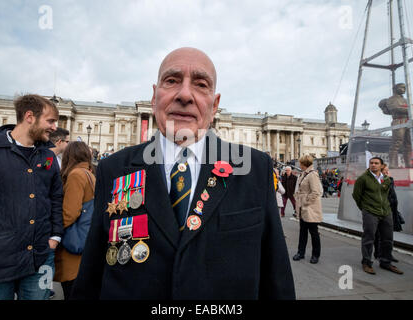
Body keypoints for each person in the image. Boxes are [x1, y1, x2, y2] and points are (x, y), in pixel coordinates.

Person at [70, 47, 295, 300]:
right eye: (172, 80)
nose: (185, 94)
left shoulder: (254, 169)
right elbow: (91, 274)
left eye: (200, 84)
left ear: (215, 104)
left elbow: (276, 279)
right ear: (155, 96)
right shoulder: (113, 169)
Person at [0, 94, 63, 300]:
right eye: (50, 121)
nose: (54, 127)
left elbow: (56, 197)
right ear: (29, 116)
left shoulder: (48, 156)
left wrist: (55, 237)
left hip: (40, 257)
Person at [54, 141, 96, 300]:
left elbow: (69, 213)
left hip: (73, 244)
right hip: (84, 240)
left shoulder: (76, 175)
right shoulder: (89, 174)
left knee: (71, 291)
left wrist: (54, 232)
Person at [352, 157, 403, 275]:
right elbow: (356, 195)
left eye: (376, 163)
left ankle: (386, 262)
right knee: (369, 238)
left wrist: (387, 209)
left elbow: (387, 196)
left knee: (388, 239)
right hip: (370, 212)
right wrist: (365, 208)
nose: (373, 165)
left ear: (381, 166)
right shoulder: (363, 179)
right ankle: (366, 262)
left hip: (386, 212)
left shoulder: (386, 179)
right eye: (371, 163)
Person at [379, 83, 413, 168]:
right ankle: (393, 163)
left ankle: (408, 163)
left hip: (408, 122)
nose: (404, 89)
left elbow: (412, 107)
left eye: (405, 87)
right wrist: (411, 110)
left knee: (409, 143)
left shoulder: (405, 100)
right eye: (402, 87)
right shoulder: (391, 99)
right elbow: (395, 108)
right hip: (399, 121)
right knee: (397, 142)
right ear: (395, 89)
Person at [292, 155, 322, 264]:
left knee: (314, 232)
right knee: (302, 231)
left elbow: (316, 192)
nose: (299, 165)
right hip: (302, 207)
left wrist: (305, 201)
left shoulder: (313, 175)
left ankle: (315, 255)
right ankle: (301, 252)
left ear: (304, 164)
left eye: (300, 163)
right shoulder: (303, 174)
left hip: (310, 208)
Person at [374, 164, 401, 263]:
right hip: (380, 211)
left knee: (388, 235)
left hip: (391, 210)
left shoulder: (390, 180)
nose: (386, 172)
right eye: (384, 170)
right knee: (379, 235)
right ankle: (378, 253)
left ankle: (388, 254)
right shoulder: (377, 181)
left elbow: (392, 195)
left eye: (387, 170)